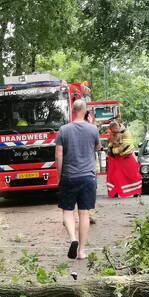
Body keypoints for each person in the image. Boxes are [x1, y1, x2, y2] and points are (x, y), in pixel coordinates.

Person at [55, 98, 100, 260]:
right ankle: (81, 251)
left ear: (73, 110)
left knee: (67, 211)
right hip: (88, 177)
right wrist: (91, 123)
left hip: (69, 176)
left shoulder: (63, 130)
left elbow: (59, 154)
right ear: (85, 110)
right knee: (84, 214)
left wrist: (60, 174)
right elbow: (97, 148)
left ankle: (72, 239)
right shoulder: (93, 129)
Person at [105, 121, 142, 198]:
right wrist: (110, 148)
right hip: (116, 159)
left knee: (131, 175)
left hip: (126, 157)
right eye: (112, 130)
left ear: (117, 127)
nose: (113, 132)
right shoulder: (113, 133)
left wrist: (114, 151)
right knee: (114, 175)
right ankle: (115, 191)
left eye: (114, 130)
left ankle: (135, 191)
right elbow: (111, 143)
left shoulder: (126, 133)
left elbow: (125, 146)